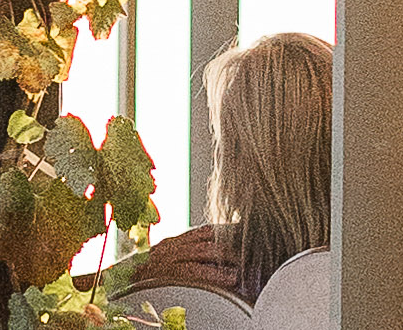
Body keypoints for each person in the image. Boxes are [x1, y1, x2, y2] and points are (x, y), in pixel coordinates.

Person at [122, 31, 333, 307]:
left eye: (227, 140)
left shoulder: (201, 266)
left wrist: (130, 279)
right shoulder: (385, 266)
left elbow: (56, 316)